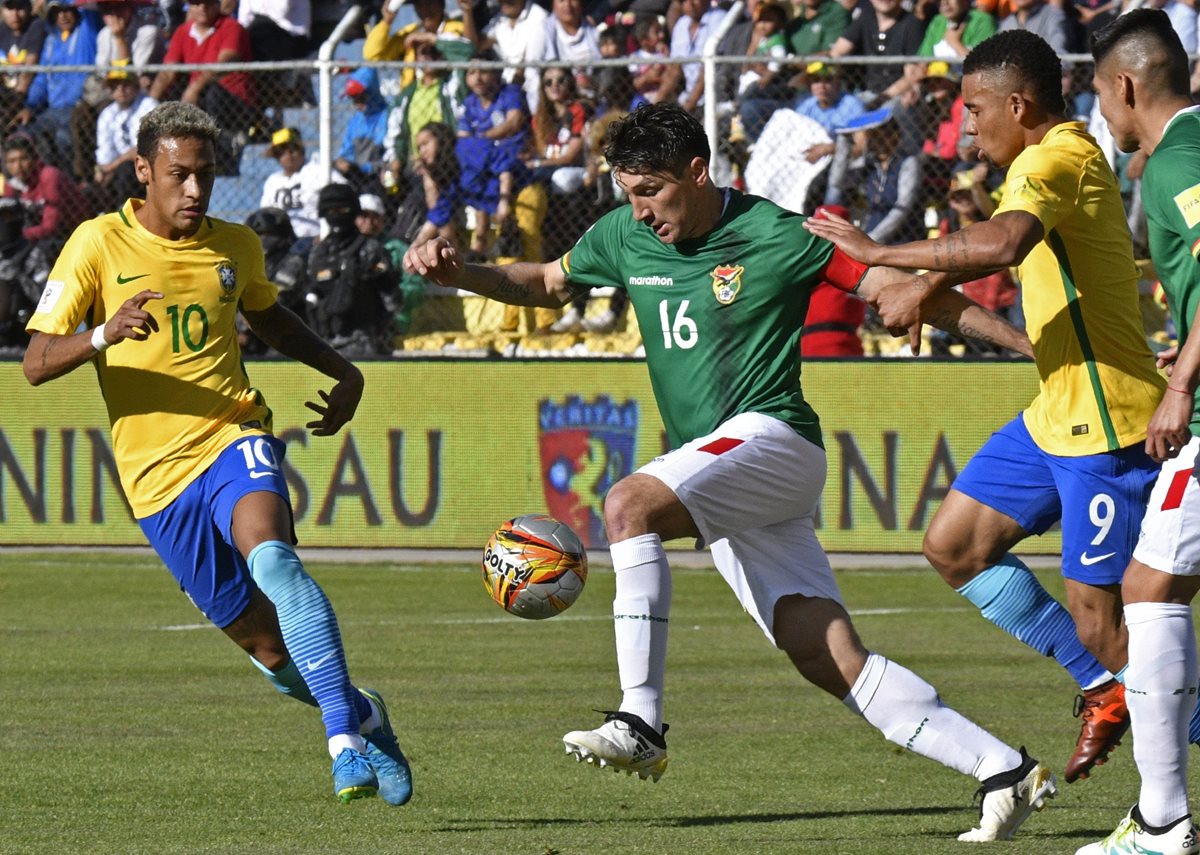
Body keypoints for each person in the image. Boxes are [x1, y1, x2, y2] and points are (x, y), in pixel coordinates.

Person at [404, 101, 1056, 843]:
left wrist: (1035, 348)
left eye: (651, 191)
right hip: (727, 472)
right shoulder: (623, 233)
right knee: (825, 655)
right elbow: (546, 283)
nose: (639, 210)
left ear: (697, 171)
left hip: (774, 438)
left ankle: (639, 719)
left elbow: (900, 292)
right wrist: (464, 273)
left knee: (627, 504)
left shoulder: (777, 233)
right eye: (627, 193)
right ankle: (1002, 768)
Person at [20, 101, 412, 806]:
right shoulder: (97, 243)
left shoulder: (235, 245)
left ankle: (342, 743)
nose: (197, 189)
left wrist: (343, 371)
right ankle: (364, 712)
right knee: (270, 653)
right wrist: (104, 335)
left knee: (274, 558)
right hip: (155, 483)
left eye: (207, 174)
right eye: (181, 175)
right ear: (143, 171)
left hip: (233, 435)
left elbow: (268, 315)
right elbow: (37, 362)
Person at [803, 29, 1166, 785]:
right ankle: (1103, 688)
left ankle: (1168, 760)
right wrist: (927, 291)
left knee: (1105, 626)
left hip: (1107, 425)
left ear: (1018, 105)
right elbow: (1013, 260)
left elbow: (1003, 243)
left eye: (973, 110)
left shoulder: (1056, 158)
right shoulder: (1042, 165)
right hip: (1056, 410)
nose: (966, 128)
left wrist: (879, 253)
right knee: (955, 545)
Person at [1076, 10, 1200, 854]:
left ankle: (1162, 819)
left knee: (1148, 589)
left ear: (1124, 85)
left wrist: (1181, 384)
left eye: (1097, 94)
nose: (1102, 113)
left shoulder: (1177, 158)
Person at [306, 183, 398, 356]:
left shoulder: (370, 249)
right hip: (323, 342)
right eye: (331, 210)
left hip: (362, 342)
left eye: (342, 210)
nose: (336, 215)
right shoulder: (319, 253)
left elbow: (392, 300)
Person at [3, 133, 90, 259]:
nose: (18, 166)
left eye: (24, 158)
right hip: (37, 236)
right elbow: (7, 220)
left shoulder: (49, 176)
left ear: (34, 158)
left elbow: (50, 227)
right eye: (12, 161)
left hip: (73, 235)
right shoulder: (12, 184)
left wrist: (16, 235)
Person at [93, 65, 157, 212]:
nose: (120, 90)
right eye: (115, 86)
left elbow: (143, 149)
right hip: (117, 170)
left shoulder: (149, 106)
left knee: (126, 169)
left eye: (125, 85)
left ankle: (126, 212)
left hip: (146, 167)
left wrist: (112, 166)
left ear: (135, 85)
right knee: (96, 185)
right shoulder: (107, 114)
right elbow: (105, 154)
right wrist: (102, 171)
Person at [260, 127, 341, 243]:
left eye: (292, 149)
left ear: (301, 150)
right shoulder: (272, 181)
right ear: (276, 156)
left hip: (315, 237)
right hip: (281, 241)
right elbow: (265, 214)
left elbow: (345, 195)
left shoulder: (319, 171)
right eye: (282, 151)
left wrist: (328, 233)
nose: (288, 154)